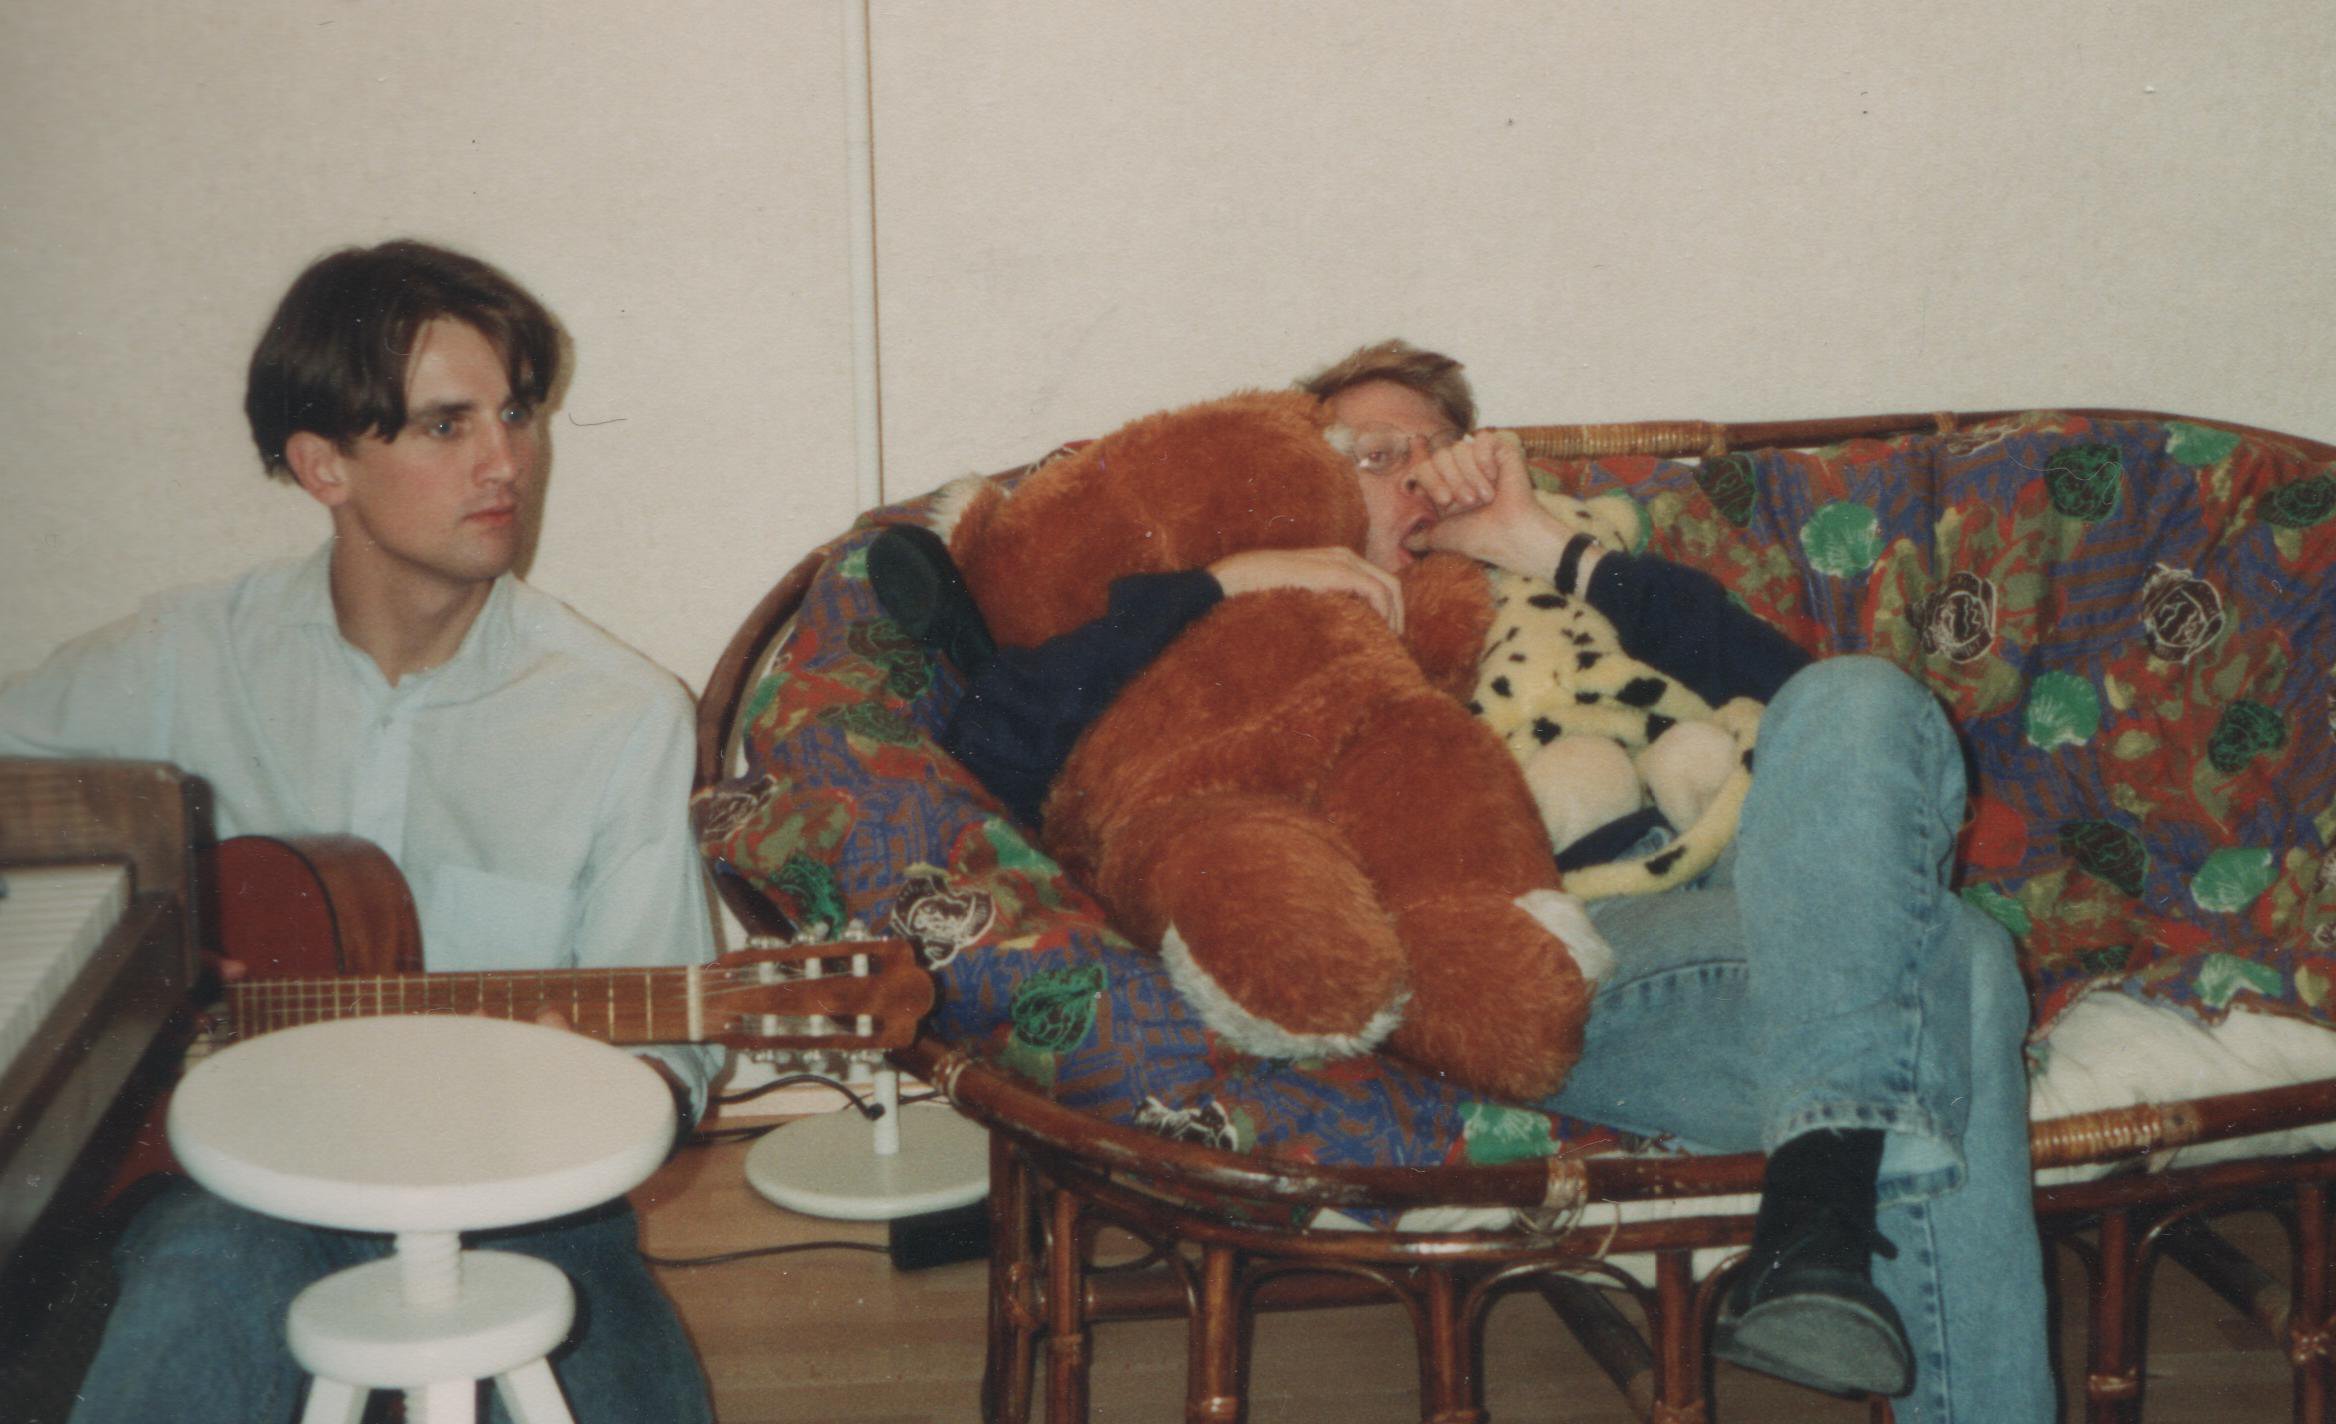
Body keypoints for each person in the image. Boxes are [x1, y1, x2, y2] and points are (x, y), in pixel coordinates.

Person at [868, 340, 2053, 1423]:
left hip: (1784, 889)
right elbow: (997, 736)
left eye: (1432, 454)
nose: (1410, 479)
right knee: (1958, 966)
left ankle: (1820, 1203)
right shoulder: (1248, 635)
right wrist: (1225, 580)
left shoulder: (1560, 586)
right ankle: (1825, 1205)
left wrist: (1540, 547)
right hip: (1561, 959)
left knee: (1860, 694)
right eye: (1369, 455)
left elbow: (1832, 738)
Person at [0, 240, 720, 1424]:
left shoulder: (619, 713)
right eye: (445, 425)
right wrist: (130, 963)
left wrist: (598, 1085)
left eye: (516, 413)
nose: (505, 461)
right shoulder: (188, 658)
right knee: (190, 1308)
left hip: (523, 1204)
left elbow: (675, 1051)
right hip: (239, 1184)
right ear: (322, 464)